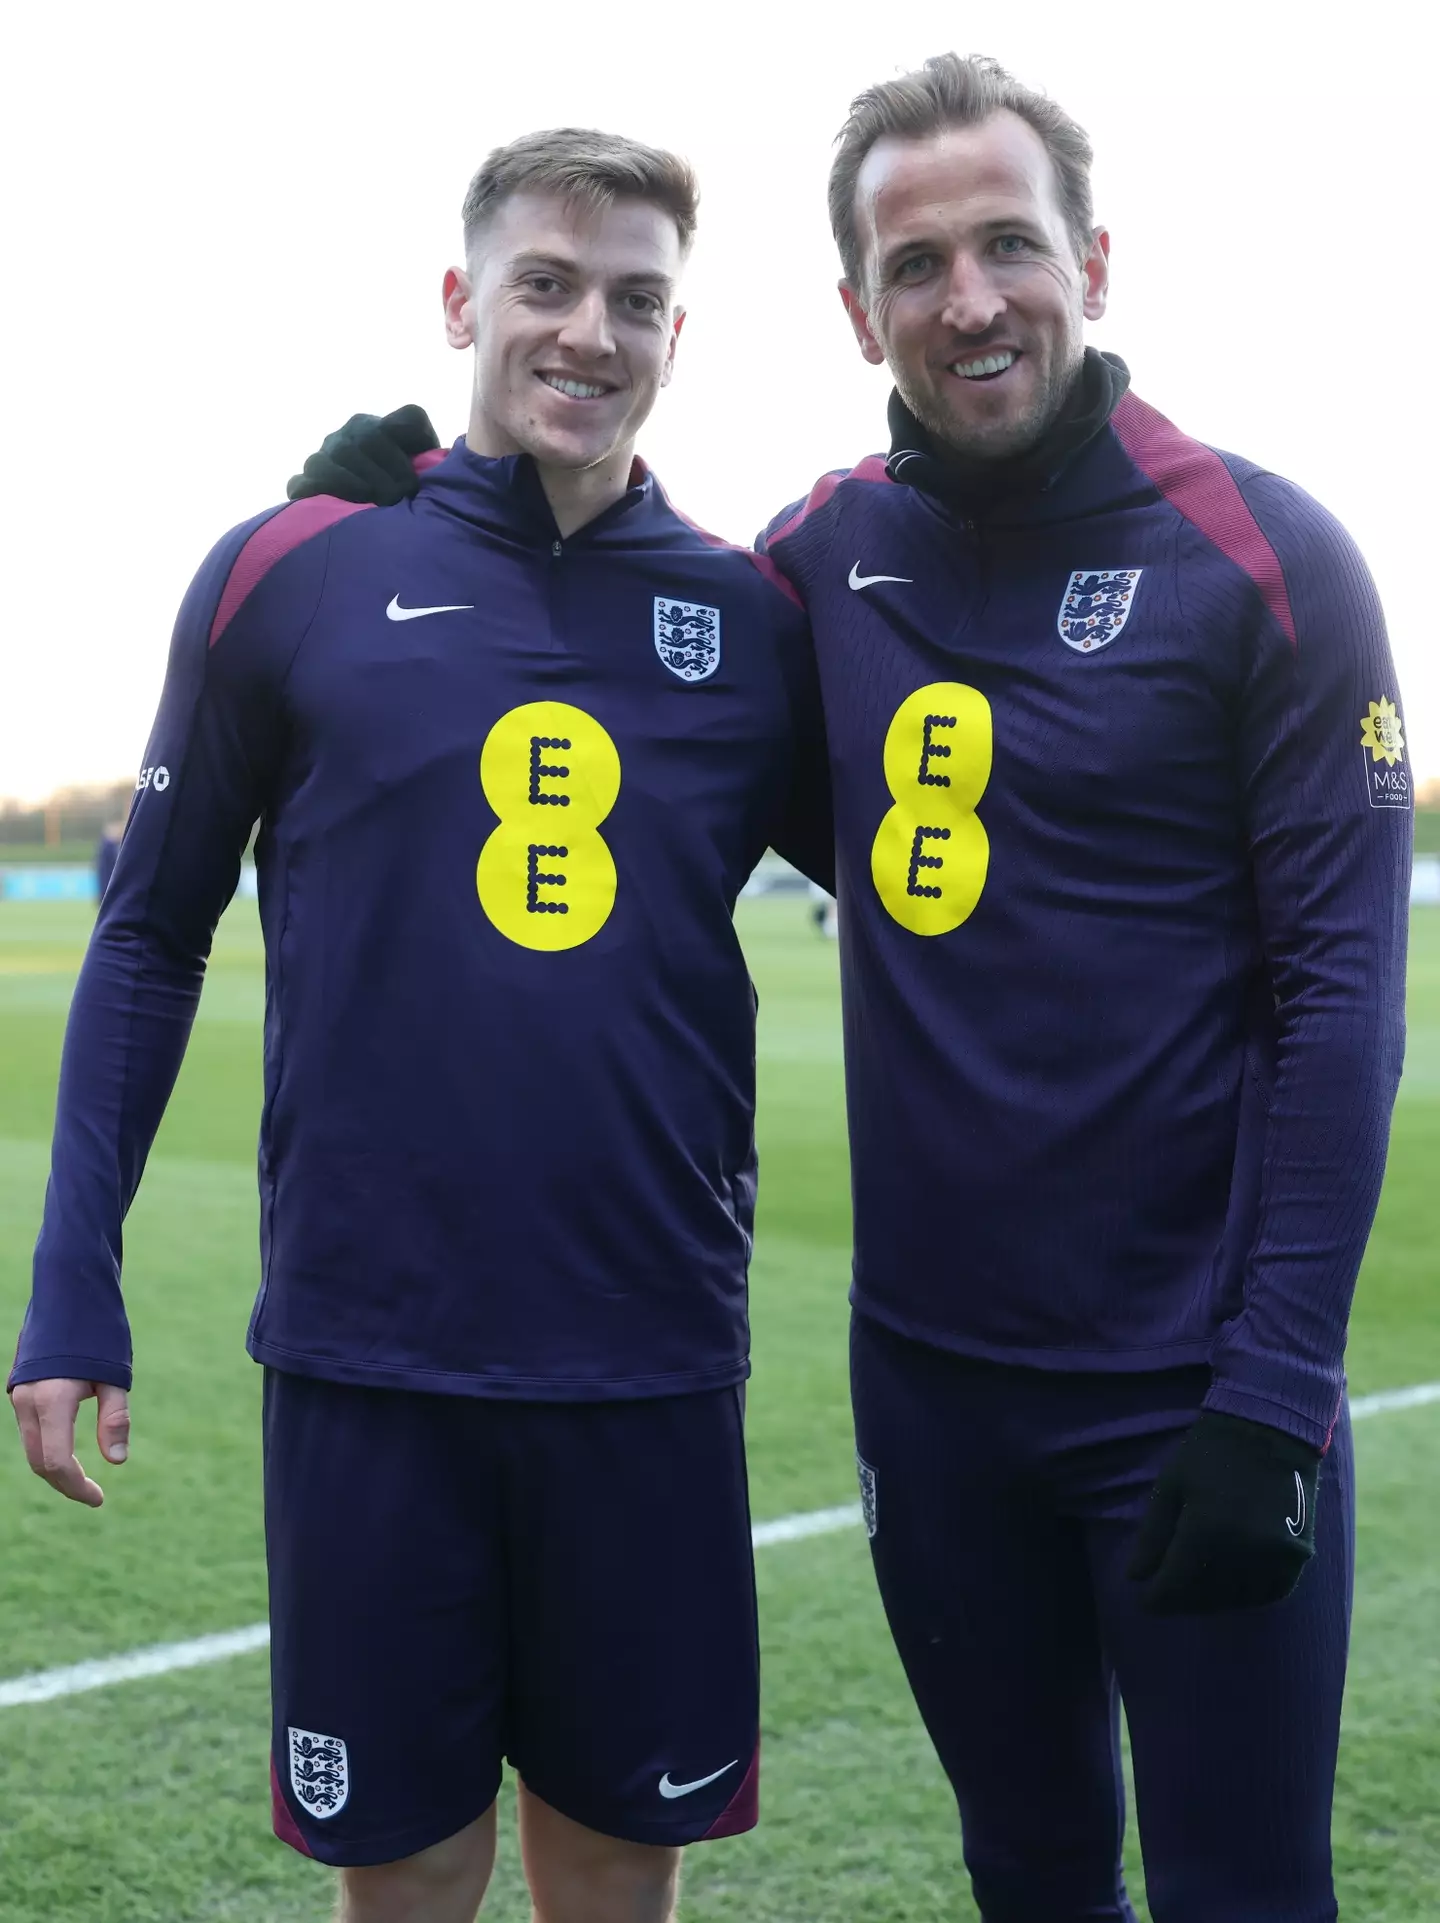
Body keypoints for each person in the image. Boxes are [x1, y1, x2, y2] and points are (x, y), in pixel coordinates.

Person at [302, 54, 1413, 1922]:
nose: (970, 299)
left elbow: (1343, 1005)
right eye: (916, 264)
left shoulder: (1266, 558)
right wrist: (401, 512)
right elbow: (609, 651)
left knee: (1245, 1888)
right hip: (932, 1390)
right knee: (1027, 1872)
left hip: (1193, 1387)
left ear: (1093, 262)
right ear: (856, 309)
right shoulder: (824, 558)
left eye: (1009, 245)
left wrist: (1274, 1388)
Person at [8, 130, 831, 1923]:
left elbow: (950, 896)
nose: (587, 332)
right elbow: (148, 936)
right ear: (463, 301)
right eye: (546, 284)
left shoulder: (752, 621)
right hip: (371, 1358)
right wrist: (74, 1282)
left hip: (647, 1355)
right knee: (409, 1866)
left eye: (635, 299)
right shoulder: (289, 573)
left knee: (613, 1860)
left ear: (677, 336)